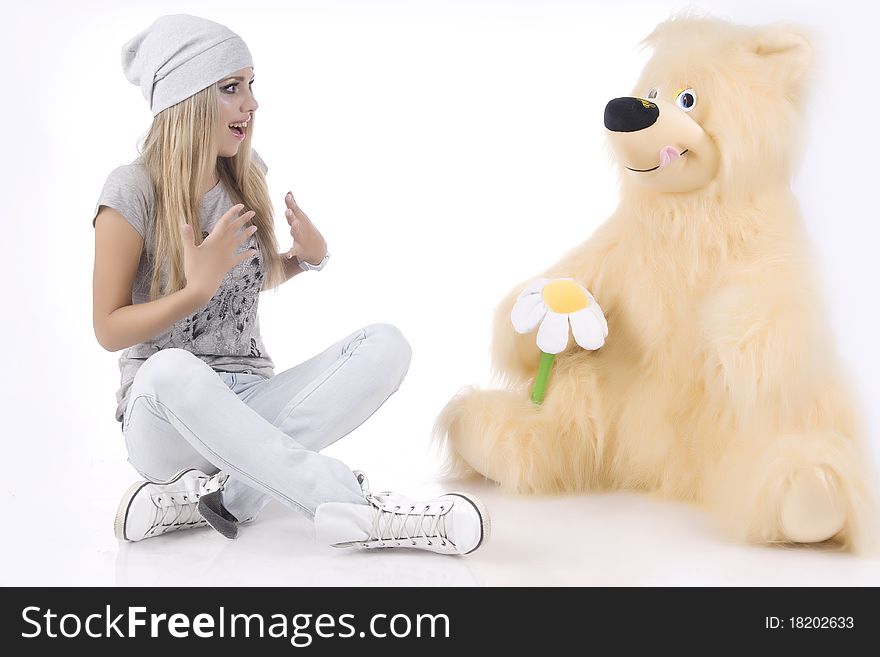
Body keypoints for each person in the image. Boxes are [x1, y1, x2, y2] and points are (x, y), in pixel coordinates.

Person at [91, 14, 488, 555]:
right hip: (163, 418)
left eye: (251, 86)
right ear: (186, 98)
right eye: (231, 88)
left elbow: (240, 284)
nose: (251, 104)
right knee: (169, 370)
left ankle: (226, 497)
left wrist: (303, 261)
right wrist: (191, 293)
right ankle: (354, 510)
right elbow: (108, 328)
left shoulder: (244, 174)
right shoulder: (132, 188)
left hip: (249, 400)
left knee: (386, 343)